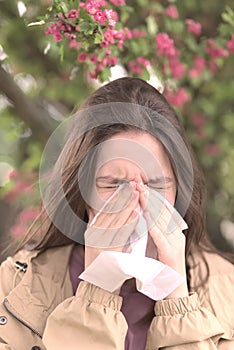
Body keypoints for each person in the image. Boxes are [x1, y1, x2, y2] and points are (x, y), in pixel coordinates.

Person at [0, 77, 233, 350]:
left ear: (178, 191)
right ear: (83, 191)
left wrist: (176, 300)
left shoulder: (227, 288)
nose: (135, 202)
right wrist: (97, 292)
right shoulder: (16, 285)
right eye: (114, 185)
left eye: (156, 185)